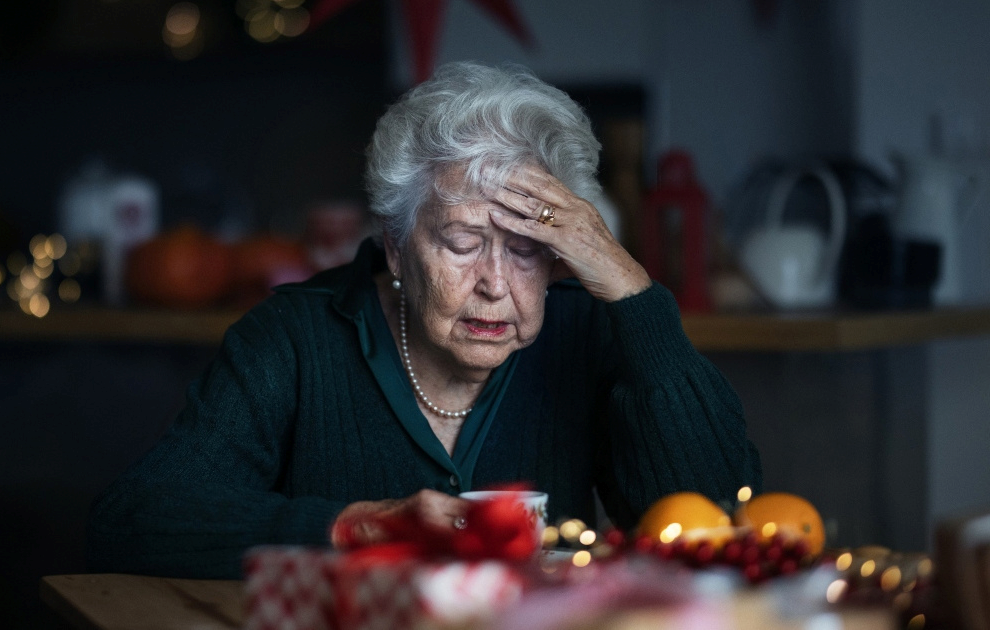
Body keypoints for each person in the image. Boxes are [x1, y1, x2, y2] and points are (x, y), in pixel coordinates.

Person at [87, 61, 762, 579]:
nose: (496, 283)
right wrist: (357, 526)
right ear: (397, 243)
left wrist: (631, 290)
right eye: (463, 242)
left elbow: (719, 522)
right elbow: (135, 522)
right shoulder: (295, 337)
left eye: (527, 248)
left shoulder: (587, 330)